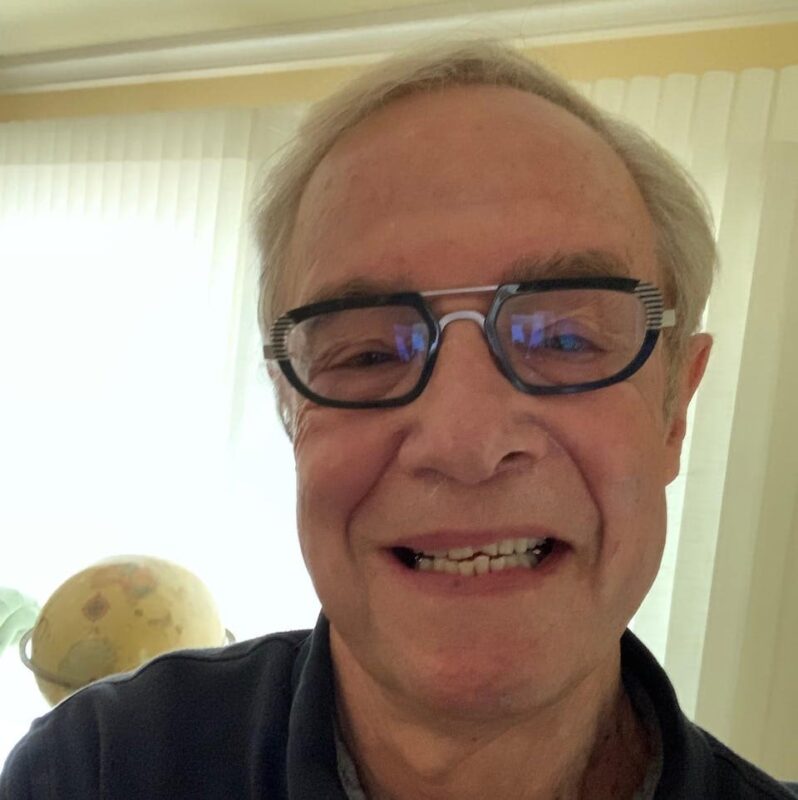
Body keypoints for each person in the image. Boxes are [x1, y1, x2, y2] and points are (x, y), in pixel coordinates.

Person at [1, 40, 796, 800]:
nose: (464, 443)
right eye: (369, 354)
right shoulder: (93, 771)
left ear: (673, 415)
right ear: (291, 411)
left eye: (561, 339)